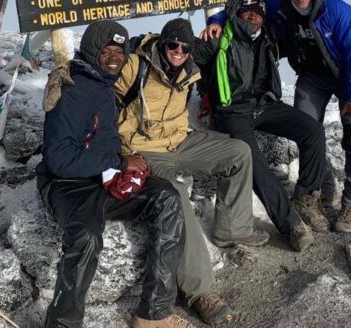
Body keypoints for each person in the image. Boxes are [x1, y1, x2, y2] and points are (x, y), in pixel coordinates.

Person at [36, 20, 194, 328]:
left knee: (166, 197)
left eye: (120, 52)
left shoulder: (104, 84)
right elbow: (59, 159)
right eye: (107, 50)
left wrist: (125, 161)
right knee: (86, 237)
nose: (114, 57)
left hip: (102, 178)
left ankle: (153, 315)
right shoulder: (72, 90)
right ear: (92, 50)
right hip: (67, 185)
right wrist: (120, 163)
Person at [114, 18, 269, 327]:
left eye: (185, 48)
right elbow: (100, 76)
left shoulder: (189, 68)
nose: (179, 52)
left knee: (238, 151)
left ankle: (232, 228)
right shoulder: (135, 66)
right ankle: (200, 292)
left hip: (179, 141)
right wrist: (66, 72)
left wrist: (219, 24)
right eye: (173, 45)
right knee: (175, 195)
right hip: (145, 150)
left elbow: (226, 42)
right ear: (162, 43)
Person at [203, 0, 351, 233]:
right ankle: (322, 189)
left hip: (349, 77)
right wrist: (215, 21)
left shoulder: (340, 12)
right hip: (313, 78)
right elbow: (244, 6)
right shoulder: (281, 4)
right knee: (309, 130)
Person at [193, 0, 328, 252]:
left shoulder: (267, 37)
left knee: (313, 131)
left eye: (258, 13)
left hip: (264, 105)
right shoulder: (218, 38)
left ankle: (304, 198)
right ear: (237, 14)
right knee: (253, 160)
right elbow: (183, 57)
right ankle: (291, 224)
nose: (253, 17)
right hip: (232, 111)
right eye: (248, 12)